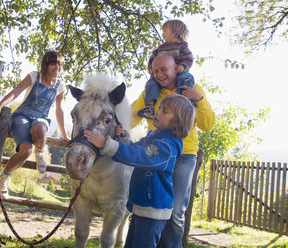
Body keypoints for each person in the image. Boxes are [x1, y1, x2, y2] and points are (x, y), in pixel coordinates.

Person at [84, 94, 196, 248]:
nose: (158, 111)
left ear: (176, 122)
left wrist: (108, 145)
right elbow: (135, 148)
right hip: (141, 206)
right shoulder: (154, 137)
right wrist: (122, 137)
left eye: (165, 111)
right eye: (160, 107)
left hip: (153, 211)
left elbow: (141, 156)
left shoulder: (167, 146)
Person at [132, 54, 215, 248]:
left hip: (184, 156)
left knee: (176, 212)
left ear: (176, 68)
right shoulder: (150, 95)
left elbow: (208, 125)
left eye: (163, 69)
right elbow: (131, 115)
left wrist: (199, 99)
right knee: (149, 207)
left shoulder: (191, 89)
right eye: (155, 71)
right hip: (157, 153)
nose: (159, 74)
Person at [0, 51, 70, 199]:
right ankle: (4, 177)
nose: (57, 68)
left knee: (40, 129)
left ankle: (40, 152)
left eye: (60, 64)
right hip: (22, 116)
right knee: (26, 151)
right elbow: (16, 92)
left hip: (41, 118)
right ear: (46, 65)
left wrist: (65, 135)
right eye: (54, 63)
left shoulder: (60, 87)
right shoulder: (35, 76)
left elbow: (59, 110)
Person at [138, 19, 194, 119]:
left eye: (165, 31)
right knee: (151, 83)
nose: (162, 34)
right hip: (163, 76)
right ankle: (150, 107)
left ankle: (186, 103)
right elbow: (152, 59)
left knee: (186, 79)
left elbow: (188, 58)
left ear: (175, 33)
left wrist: (182, 66)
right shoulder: (160, 48)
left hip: (179, 73)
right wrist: (151, 68)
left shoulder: (182, 47)